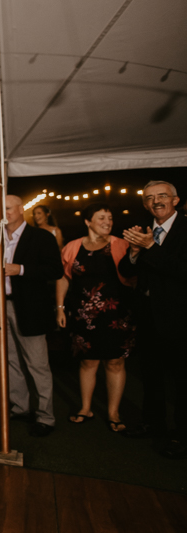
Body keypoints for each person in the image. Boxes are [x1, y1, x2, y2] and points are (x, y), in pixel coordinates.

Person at [0, 195, 64, 438]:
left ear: (21, 209)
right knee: (10, 361)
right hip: (1, 307)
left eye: (7, 208)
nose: (3, 213)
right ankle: (20, 407)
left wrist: (21, 269)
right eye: (1, 209)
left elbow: (55, 271)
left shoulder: (41, 237)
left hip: (30, 309)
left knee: (37, 365)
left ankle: (45, 417)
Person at [119, 180, 187, 459]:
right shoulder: (146, 229)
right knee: (151, 375)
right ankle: (153, 424)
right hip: (147, 316)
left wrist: (151, 247)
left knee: (182, 381)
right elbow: (125, 269)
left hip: (179, 317)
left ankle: (182, 436)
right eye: (149, 198)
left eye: (162, 196)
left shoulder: (184, 229)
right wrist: (134, 251)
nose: (156, 201)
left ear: (176, 200)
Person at [56, 204, 134, 432]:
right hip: (83, 315)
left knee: (115, 362)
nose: (108, 222)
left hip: (116, 316)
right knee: (88, 361)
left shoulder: (122, 245)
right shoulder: (72, 247)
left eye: (110, 218)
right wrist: (59, 307)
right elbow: (63, 278)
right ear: (88, 222)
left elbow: (133, 276)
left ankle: (113, 413)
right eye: (101, 218)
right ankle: (85, 408)